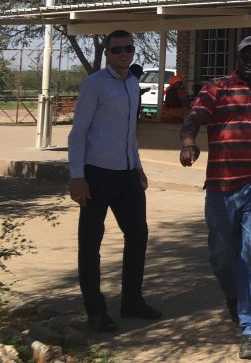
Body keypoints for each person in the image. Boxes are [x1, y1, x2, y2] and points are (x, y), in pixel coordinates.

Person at [179, 35, 251, 361]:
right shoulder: (216, 88)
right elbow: (194, 117)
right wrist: (188, 141)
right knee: (221, 253)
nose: (249, 61)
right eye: (244, 55)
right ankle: (233, 295)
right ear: (236, 58)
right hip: (220, 186)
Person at [67, 30, 161, 333]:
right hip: (97, 173)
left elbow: (128, 133)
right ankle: (95, 310)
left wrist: (138, 167)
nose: (124, 54)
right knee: (91, 242)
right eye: (117, 49)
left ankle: (131, 301)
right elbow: (78, 133)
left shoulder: (133, 84)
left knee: (138, 235)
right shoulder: (94, 84)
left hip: (127, 175)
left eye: (129, 49)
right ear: (107, 52)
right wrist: (77, 176)